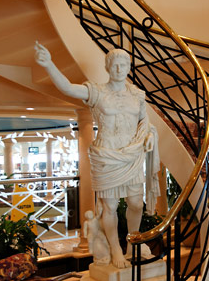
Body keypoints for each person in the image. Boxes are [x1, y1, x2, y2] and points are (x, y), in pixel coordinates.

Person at [34, 41, 159, 268]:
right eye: (115, 64)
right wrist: (49, 64)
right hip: (106, 155)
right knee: (109, 206)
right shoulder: (97, 92)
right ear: (107, 67)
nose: (119, 69)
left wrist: (149, 135)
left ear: (129, 67)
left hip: (131, 156)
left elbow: (145, 122)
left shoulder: (137, 95)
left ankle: (132, 242)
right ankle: (115, 249)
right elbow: (68, 88)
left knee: (136, 204)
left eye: (123, 65)